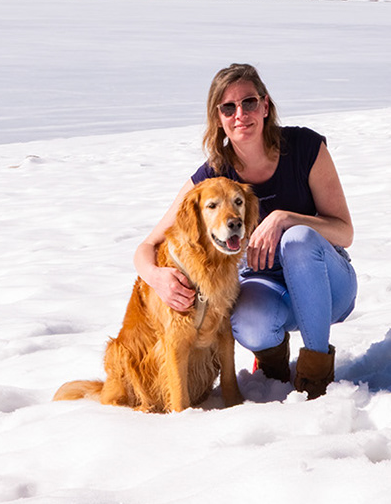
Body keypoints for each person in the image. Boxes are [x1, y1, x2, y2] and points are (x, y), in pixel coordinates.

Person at [133, 63, 356, 400]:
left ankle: (315, 377)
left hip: (328, 287)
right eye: (228, 107)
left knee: (297, 239)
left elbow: (345, 232)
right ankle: (273, 365)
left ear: (265, 106)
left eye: (249, 102)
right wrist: (156, 277)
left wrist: (284, 218)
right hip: (271, 287)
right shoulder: (214, 176)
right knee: (247, 319)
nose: (240, 114)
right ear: (218, 118)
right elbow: (149, 244)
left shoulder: (305, 148)